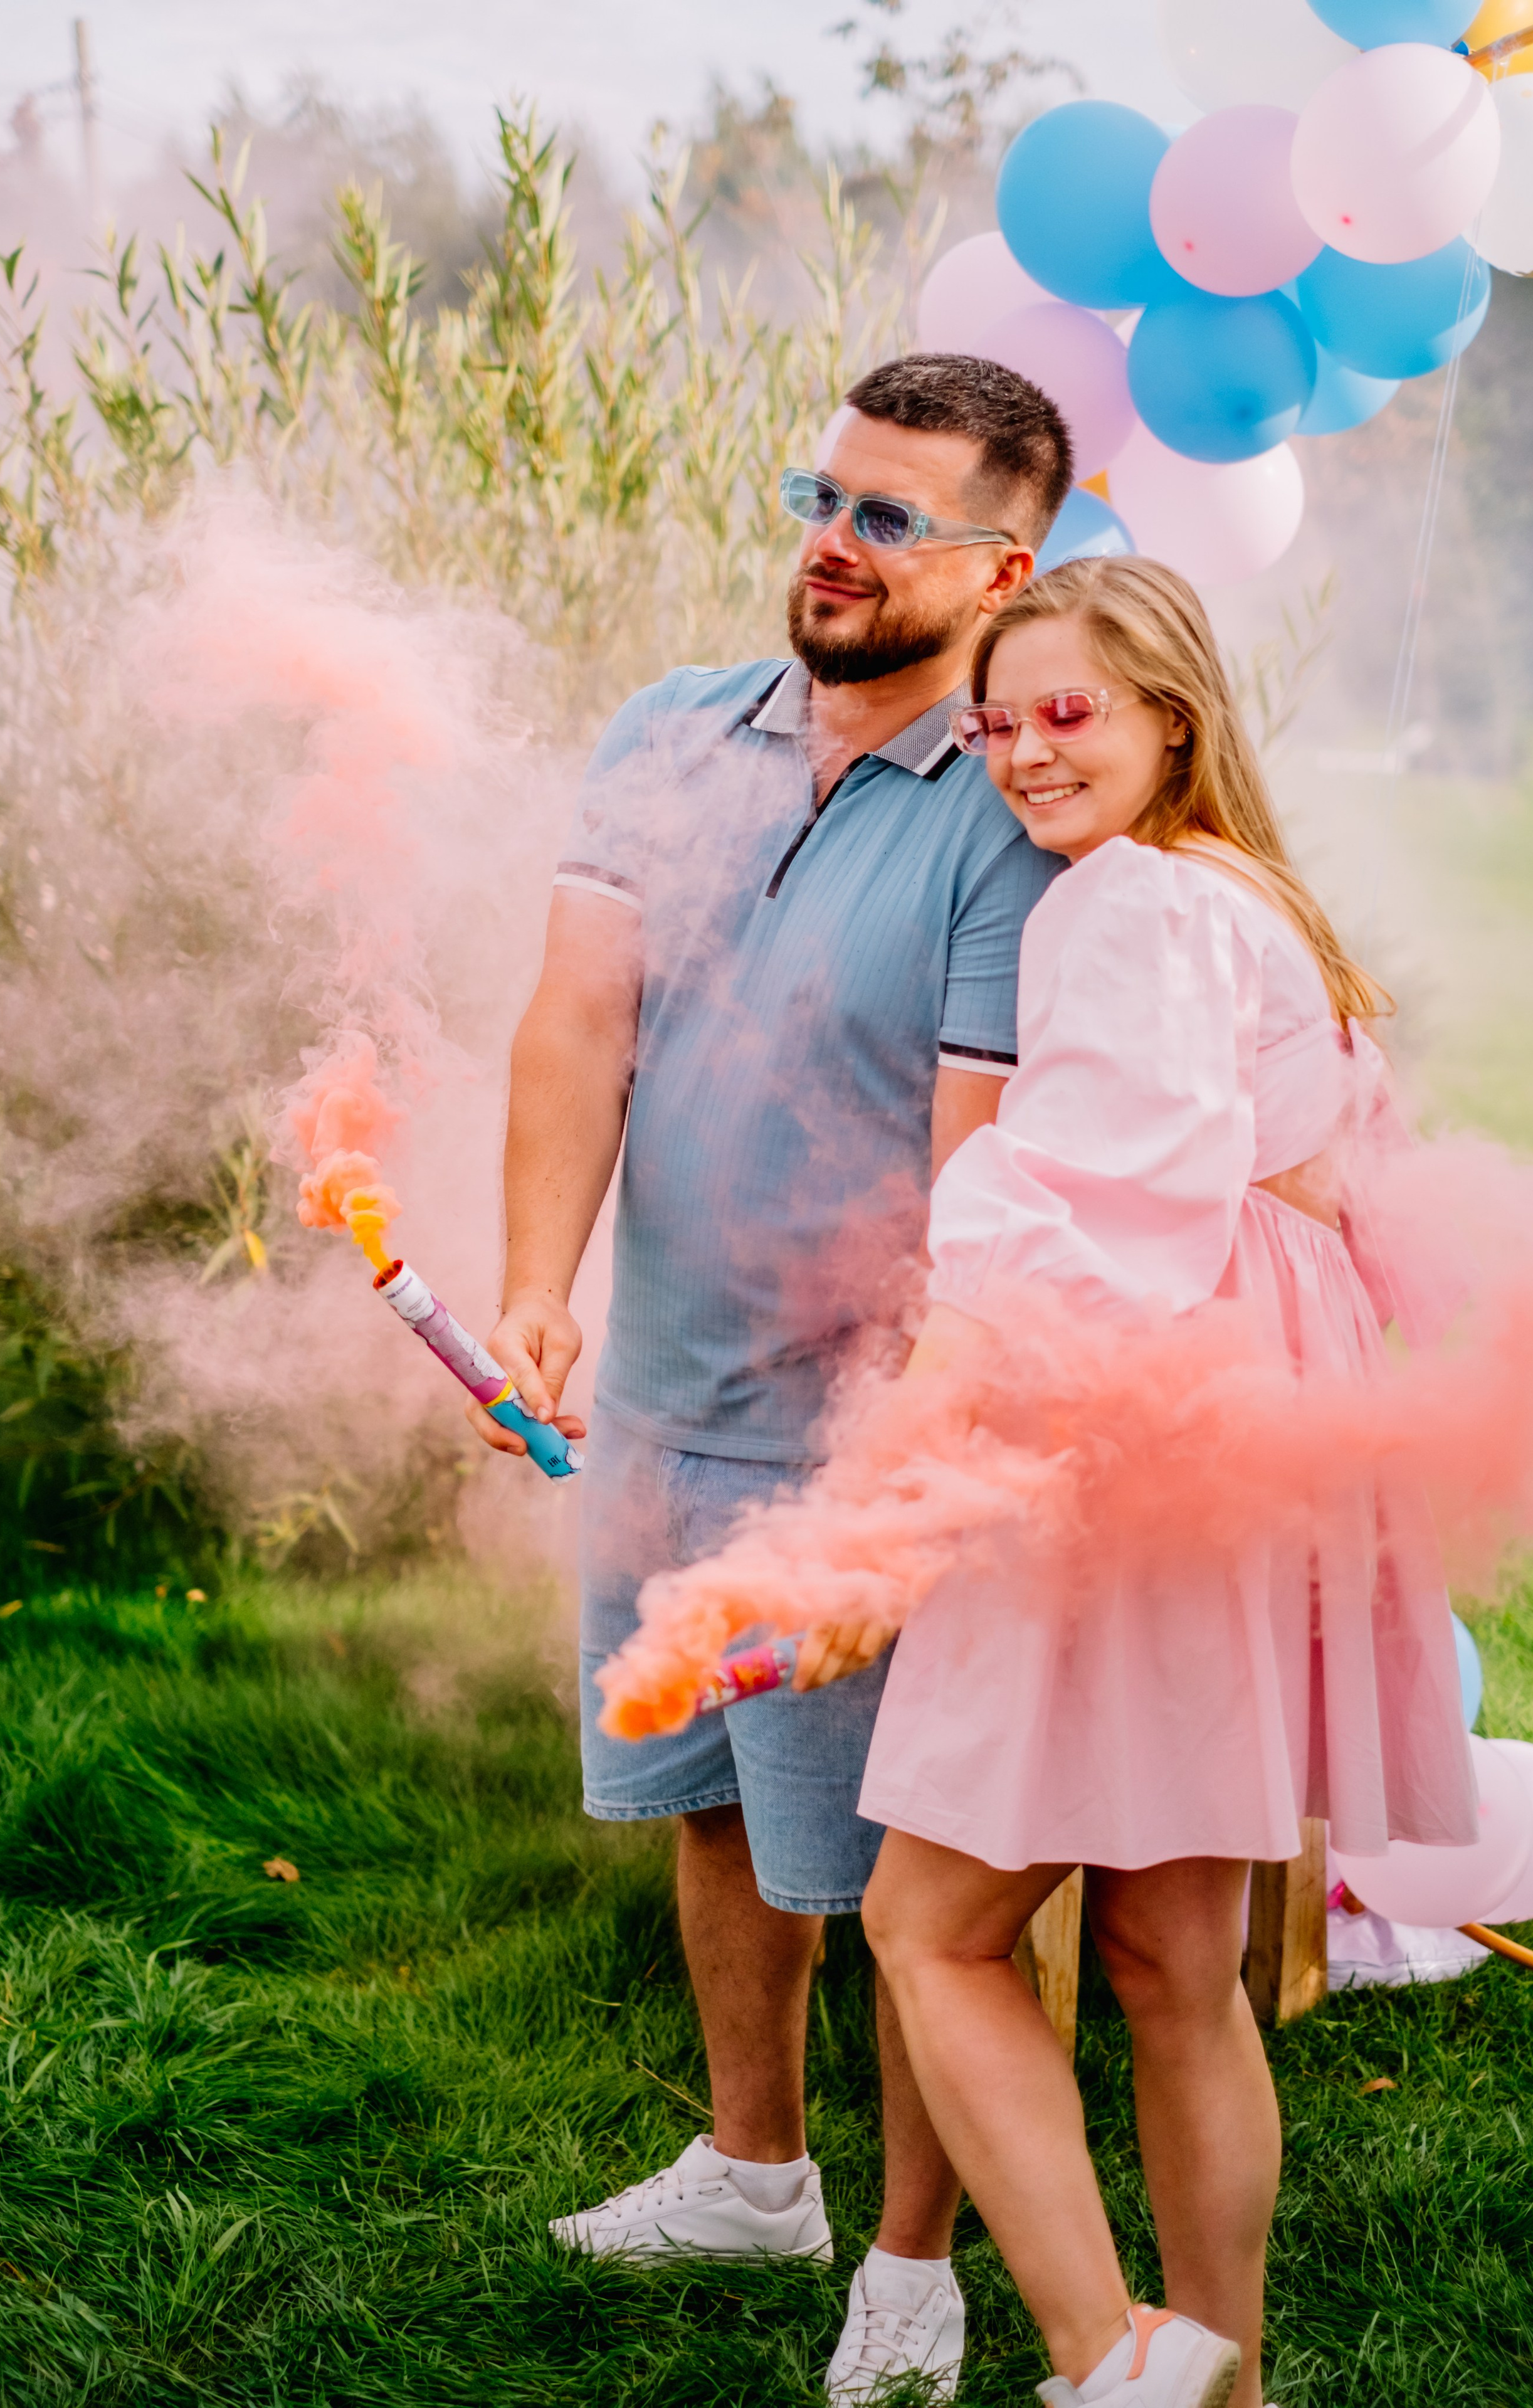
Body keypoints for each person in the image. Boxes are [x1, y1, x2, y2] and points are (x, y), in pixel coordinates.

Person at [788, 556, 1478, 2408]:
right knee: (1179, 1954)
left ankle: (1114, 2363)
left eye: (1067, 711)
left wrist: (914, 1461)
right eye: (997, 721)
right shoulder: (1265, 901)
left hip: (1139, 1432)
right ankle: (1229, 2378)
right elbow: (1327, 1193)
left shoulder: (1124, 905)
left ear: (1175, 709)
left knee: (927, 1927)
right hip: (1260, 1434)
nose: (1021, 755)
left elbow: (1075, 1210)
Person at [467, 354, 1074, 2398]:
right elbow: (575, 1029)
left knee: (908, 1871)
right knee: (710, 1800)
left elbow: (974, 1181)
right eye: (823, 490)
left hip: (869, 1446)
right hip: (657, 1390)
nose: (831, 537)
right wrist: (540, 1284)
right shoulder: (672, 733)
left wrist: (889, 1480)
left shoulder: (1012, 810)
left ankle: (915, 2265)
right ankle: (754, 2168)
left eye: (890, 516)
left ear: (1012, 563)